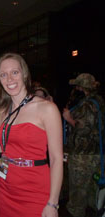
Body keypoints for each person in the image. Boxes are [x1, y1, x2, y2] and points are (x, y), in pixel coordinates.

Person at [0, 53, 63, 217]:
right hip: (5, 189)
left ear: (24, 74)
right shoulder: (3, 110)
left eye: (14, 72)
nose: (9, 79)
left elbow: (57, 159)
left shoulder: (47, 109)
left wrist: (53, 203)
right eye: (3, 74)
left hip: (35, 189)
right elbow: (4, 151)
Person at [63, 73, 105, 217]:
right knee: (91, 193)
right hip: (95, 154)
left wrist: (69, 118)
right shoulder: (98, 101)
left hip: (83, 157)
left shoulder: (88, 105)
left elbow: (84, 129)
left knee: (78, 193)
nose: (75, 89)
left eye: (77, 86)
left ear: (82, 88)